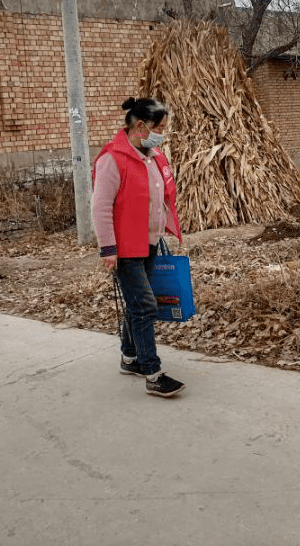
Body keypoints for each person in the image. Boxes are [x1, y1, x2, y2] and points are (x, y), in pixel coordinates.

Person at [91, 97, 185, 398]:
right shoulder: (112, 159)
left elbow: (159, 197)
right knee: (145, 305)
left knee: (136, 304)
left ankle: (129, 357)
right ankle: (152, 372)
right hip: (125, 248)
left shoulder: (152, 155)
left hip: (149, 242)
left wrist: (162, 230)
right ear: (140, 126)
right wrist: (108, 248)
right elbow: (101, 207)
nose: (162, 134)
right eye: (159, 128)